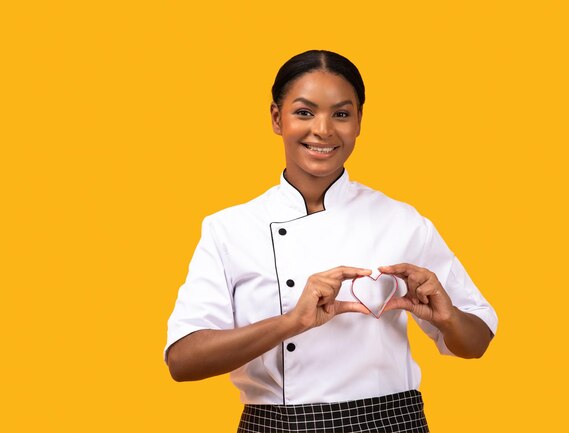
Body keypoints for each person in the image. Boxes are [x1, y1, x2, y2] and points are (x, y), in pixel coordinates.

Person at [164, 50, 498, 433]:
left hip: (390, 423)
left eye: (341, 114)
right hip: (275, 425)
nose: (323, 130)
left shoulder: (401, 220)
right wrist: (293, 322)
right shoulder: (230, 229)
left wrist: (448, 317)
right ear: (277, 118)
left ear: (358, 122)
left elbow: (476, 342)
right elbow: (183, 362)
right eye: (304, 112)